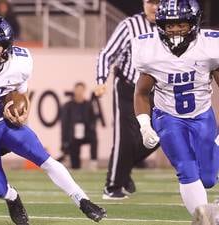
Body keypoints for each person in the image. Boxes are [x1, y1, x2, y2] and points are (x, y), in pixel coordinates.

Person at [0, 15, 106, 225]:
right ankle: (13, 198)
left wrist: (25, 113)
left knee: (45, 159)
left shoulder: (21, 62)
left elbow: (22, 94)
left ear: (6, 45)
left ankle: (83, 200)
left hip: (4, 125)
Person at [133, 0, 219, 221]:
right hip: (168, 116)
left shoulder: (208, 47)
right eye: (170, 25)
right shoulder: (151, 50)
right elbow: (141, 93)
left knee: (208, 178)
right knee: (186, 167)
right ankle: (204, 218)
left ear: (194, 23)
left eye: (181, 24)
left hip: (202, 115)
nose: (175, 30)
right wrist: (144, 125)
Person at [94, 0, 160, 200]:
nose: (155, 7)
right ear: (144, 3)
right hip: (127, 87)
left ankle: (124, 168)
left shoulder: (170, 26)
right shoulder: (129, 25)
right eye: (151, 2)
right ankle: (112, 186)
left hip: (156, 90)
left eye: (159, 2)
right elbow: (107, 54)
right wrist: (100, 79)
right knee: (126, 137)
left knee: (160, 132)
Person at [59, 82, 98, 169]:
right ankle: (74, 164)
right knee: (74, 157)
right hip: (73, 135)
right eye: (78, 90)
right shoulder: (68, 106)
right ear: (74, 90)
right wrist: (64, 142)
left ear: (84, 91)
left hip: (86, 133)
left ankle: (93, 162)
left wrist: (90, 127)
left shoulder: (88, 105)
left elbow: (93, 119)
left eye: (81, 90)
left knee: (94, 138)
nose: (79, 92)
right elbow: (64, 124)